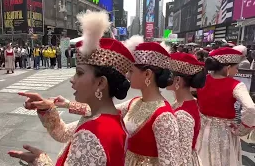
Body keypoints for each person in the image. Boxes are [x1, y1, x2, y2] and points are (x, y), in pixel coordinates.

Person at [23, 36, 181, 165]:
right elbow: (93, 113)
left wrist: (41, 160)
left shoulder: (164, 116)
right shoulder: (134, 103)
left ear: (147, 75)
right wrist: (53, 107)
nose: (127, 75)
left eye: (131, 70)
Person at [9, 10, 133, 165]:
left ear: (101, 83)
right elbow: (63, 133)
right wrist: (47, 108)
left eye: (79, 73)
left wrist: (39, 160)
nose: (72, 80)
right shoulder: (109, 117)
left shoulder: (92, 133)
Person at [197, 47, 255, 166]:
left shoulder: (202, 80)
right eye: (236, 68)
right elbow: (250, 108)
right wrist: (242, 130)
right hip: (224, 133)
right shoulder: (236, 85)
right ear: (228, 68)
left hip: (201, 131)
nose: (237, 71)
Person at [167, 52, 206, 165]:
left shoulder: (183, 115)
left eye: (168, 75)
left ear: (177, 80)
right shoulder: (184, 102)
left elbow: (182, 157)